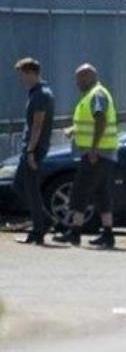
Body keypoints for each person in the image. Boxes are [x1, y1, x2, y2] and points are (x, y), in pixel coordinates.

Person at [54, 64, 120, 249]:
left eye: (80, 78)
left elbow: (101, 119)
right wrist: (73, 129)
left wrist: (93, 148)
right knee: (101, 194)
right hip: (103, 153)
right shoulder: (93, 94)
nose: (77, 83)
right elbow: (93, 120)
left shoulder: (97, 95)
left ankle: (74, 232)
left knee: (80, 191)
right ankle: (108, 234)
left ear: (89, 77)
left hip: (96, 154)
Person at [12, 58, 55, 245]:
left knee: (29, 188)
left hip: (34, 148)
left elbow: (37, 125)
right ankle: (44, 220)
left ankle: (39, 229)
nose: (21, 79)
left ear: (31, 73)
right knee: (21, 186)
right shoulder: (37, 93)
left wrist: (30, 152)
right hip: (32, 147)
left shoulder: (41, 95)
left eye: (22, 74)